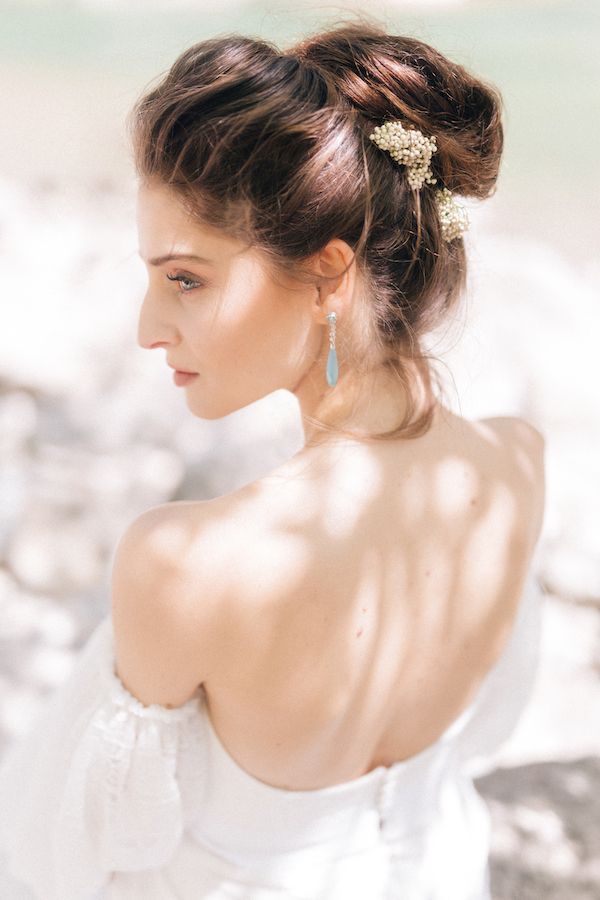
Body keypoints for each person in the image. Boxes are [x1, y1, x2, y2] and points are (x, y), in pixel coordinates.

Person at [0, 17, 546, 900]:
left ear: (330, 275)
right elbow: (482, 736)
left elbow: (69, 852)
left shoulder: (187, 561)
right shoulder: (518, 466)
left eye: (186, 278)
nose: (147, 328)